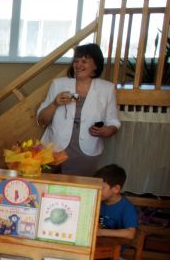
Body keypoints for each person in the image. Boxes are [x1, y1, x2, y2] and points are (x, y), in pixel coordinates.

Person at [36, 43, 120, 175]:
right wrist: (54, 104)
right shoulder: (58, 84)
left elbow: (113, 121)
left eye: (84, 61)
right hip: (55, 150)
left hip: (87, 153)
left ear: (96, 65)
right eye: (76, 61)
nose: (78, 65)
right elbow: (41, 120)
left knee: (81, 186)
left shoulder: (107, 89)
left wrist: (107, 130)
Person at [94, 164, 137, 239]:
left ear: (116, 189)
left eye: (101, 187)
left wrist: (101, 232)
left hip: (117, 245)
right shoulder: (98, 202)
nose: (97, 190)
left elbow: (130, 233)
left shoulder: (127, 208)